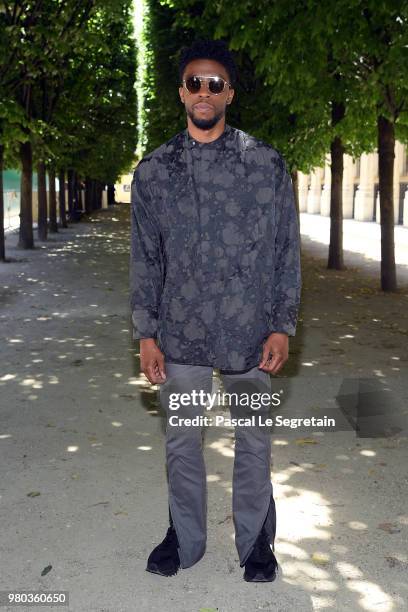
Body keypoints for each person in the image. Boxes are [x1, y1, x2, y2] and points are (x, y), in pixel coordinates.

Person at [129, 38, 301, 582]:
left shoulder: (266, 163)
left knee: (253, 439)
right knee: (182, 440)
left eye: (215, 84)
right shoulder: (154, 172)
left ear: (229, 92)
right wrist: (146, 334)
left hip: (250, 331)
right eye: (195, 83)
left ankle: (256, 545)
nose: (204, 92)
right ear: (182, 92)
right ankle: (184, 537)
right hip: (180, 332)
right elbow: (145, 258)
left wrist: (282, 323)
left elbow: (284, 251)